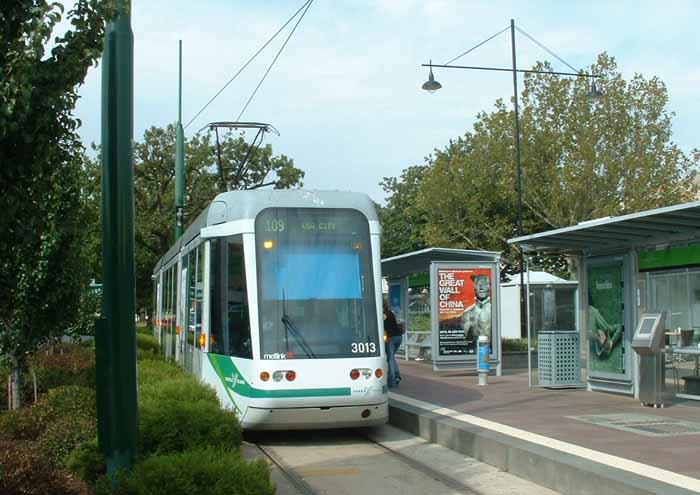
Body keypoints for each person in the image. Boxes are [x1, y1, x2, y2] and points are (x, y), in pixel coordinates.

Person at [462, 274, 492, 349]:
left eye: (485, 284)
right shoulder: (467, 312)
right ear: (474, 287)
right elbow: (465, 338)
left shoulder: (495, 310)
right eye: (478, 285)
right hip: (473, 350)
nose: (481, 288)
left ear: (489, 287)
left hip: (489, 350)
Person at [383, 302, 403, 387]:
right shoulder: (391, 313)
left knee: (390, 358)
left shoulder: (384, 315)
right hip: (399, 337)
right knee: (392, 357)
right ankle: (397, 376)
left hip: (391, 338)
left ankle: (393, 380)